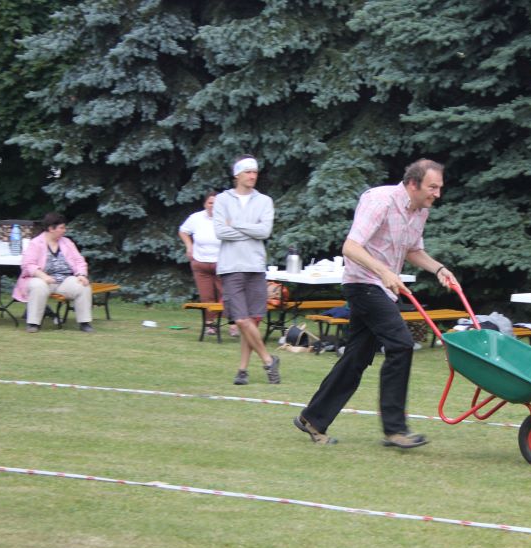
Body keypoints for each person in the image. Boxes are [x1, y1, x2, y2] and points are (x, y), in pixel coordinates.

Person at [294, 159, 456, 448]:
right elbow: (351, 247)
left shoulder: (420, 211)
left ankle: (312, 418)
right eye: (432, 187)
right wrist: (384, 272)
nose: (437, 194)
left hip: (383, 288)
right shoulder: (380, 201)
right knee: (401, 344)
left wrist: (439, 269)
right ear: (413, 184)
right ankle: (395, 430)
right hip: (363, 285)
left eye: (439, 187)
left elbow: (413, 250)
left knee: (356, 357)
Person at [213, 154, 281, 385]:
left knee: (253, 320)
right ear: (237, 175)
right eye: (248, 172)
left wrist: (235, 224)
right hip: (231, 266)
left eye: (255, 172)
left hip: (255, 265)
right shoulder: (223, 200)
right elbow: (220, 231)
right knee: (241, 320)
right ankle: (269, 360)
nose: (253, 176)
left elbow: (264, 232)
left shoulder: (264, 201)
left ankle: (242, 370)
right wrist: (251, 230)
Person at [13, 212, 94, 333]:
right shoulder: (36, 243)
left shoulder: (67, 242)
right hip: (42, 280)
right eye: (62, 228)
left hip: (65, 280)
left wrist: (81, 274)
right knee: (37, 285)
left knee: (83, 286)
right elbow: (28, 264)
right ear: (51, 228)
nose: (64, 230)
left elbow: (79, 261)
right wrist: (43, 276)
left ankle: (85, 323)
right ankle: (33, 323)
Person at [178, 191, 239, 338]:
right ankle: (210, 325)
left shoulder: (227, 218)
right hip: (200, 263)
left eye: (216, 203)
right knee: (207, 296)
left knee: (227, 295)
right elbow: (183, 231)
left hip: (222, 264)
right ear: (205, 204)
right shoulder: (196, 218)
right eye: (210, 202)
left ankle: (233, 325)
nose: (213, 206)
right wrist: (189, 246)